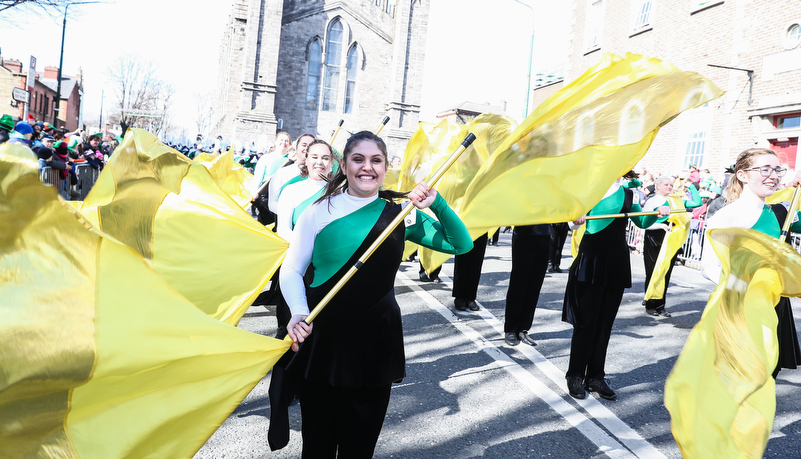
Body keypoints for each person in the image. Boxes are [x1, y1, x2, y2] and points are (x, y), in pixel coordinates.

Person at [280, 131, 472, 458]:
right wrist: (298, 310)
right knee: (317, 447)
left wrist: (436, 203)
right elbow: (291, 270)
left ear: (385, 168)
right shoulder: (317, 211)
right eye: (358, 159)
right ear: (344, 165)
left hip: (376, 344)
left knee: (359, 448)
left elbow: (461, 244)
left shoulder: (401, 213)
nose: (366, 168)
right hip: (323, 339)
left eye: (375, 160)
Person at [563, 172, 669, 401]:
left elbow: (642, 221)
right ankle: (574, 375)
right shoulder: (590, 189)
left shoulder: (629, 194)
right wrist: (575, 219)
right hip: (591, 260)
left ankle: (595, 377)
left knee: (605, 324)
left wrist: (657, 213)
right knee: (586, 322)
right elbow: (571, 222)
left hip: (616, 262)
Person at [701, 147, 801, 379]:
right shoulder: (727, 216)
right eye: (765, 169)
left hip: (775, 303)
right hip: (740, 304)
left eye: (778, 170)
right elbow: (709, 267)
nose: (774, 175)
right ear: (743, 175)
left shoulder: (782, 211)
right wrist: (744, 287)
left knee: (768, 374)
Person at [641, 176, 701, 317]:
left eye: (671, 184)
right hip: (654, 238)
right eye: (666, 184)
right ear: (657, 186)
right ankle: (650, 304)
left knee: (666, 273)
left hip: (671, 239)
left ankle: (661, 306)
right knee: (652, 272)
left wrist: (691, 186)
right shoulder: (652, 201)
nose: (669, 187)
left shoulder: (676, 200)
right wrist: (660, 225)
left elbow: (697, 202)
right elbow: (644, 222)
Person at [504, 224, 550, 346]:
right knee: (518, 283)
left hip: (544, 234)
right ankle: (511, 329)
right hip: (524, 234)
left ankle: (523, 328)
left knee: (535, 285)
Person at [268, 133, 316, 216]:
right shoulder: (282, 173)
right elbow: (272, 203)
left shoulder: (320, 174)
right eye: (304, 145)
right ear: (296, 148)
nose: (307, 148)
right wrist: (293, 217)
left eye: (311, 145)